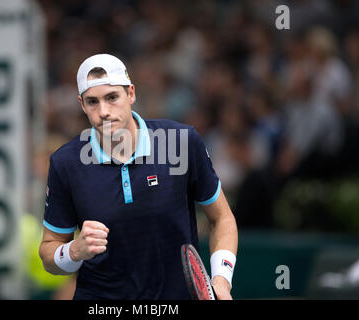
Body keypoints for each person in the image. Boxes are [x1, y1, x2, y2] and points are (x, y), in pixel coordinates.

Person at [39, 53, 238, 300]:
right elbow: (49, 253)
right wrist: (73, 251)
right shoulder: (65, 163)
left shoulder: (181, 142)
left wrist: (221, 280)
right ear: (82, 104)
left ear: (131, 94)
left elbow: (222, 218)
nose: (103, 111)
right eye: (92, 102)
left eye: (112, 97)